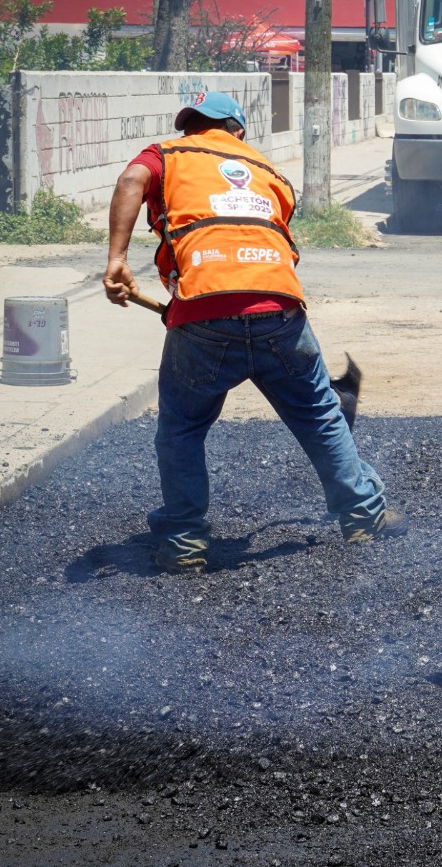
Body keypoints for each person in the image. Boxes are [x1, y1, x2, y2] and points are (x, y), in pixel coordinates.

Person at [101, 91, 406, 573]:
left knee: (181, 428)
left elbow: (131, 179)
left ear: (191, 127)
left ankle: (183, 543)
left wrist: (117, 259)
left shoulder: (166, 154)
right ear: (237, 130)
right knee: (321, 415)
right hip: (279, 312)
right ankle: (364, 516)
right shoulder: (269, 172)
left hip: (202, 317)